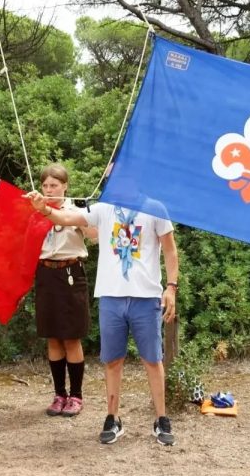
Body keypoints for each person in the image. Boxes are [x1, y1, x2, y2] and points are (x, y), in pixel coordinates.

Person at [26, 187, 179, 446]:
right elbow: (65, 218)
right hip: (111, 297)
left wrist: (171, 287)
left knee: (153, 360)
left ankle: (161, 419)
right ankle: (112, 418)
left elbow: (170, 251)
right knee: (112, 361)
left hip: (146, 297)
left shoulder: (156, 208)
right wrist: (44, 209)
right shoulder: (104, 209)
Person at [34, 164, 92, 418]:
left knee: (71, 336)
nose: (49, 190)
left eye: (54, 185)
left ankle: (76, 395)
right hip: (46, 273)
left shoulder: (76, 211)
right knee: (53, 336)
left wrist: (88, 217)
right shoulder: (35, 211)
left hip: (71, 274)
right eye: (45, 186)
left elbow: (96, 236)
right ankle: (59, 394)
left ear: (65, 186)